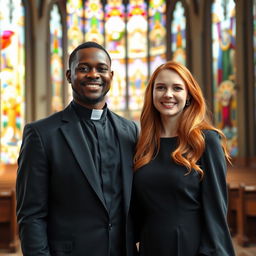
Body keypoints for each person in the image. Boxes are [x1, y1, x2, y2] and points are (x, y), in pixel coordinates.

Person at [16, 41, 139, 256]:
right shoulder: (42, 134)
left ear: (111, 75)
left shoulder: (130, 131)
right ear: (68, 75)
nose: (93, 74)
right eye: (83, 68)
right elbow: (31, 215)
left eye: (101, 69)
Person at [132, 61, 235, 256]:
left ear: (188, 95)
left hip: (191, 246)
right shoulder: (143, 144)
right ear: (152, 94)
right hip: (150, 245)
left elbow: (215, 212)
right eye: (160, 87)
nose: (168, 94)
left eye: (177, 88)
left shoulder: (206, 141)